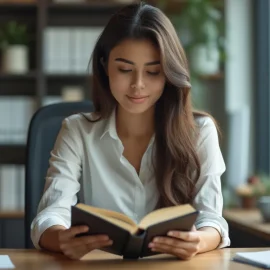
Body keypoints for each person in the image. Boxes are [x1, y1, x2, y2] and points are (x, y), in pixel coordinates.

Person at [31, 2, 230, 260]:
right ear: (105, 66)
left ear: (169, 73)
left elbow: (212, 219)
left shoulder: (200, 132)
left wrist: (199, 241)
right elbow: (50, 214)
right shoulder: (77, 130)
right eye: (125, 69)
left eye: (153, 72)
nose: (138, 85)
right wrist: (61, 238)